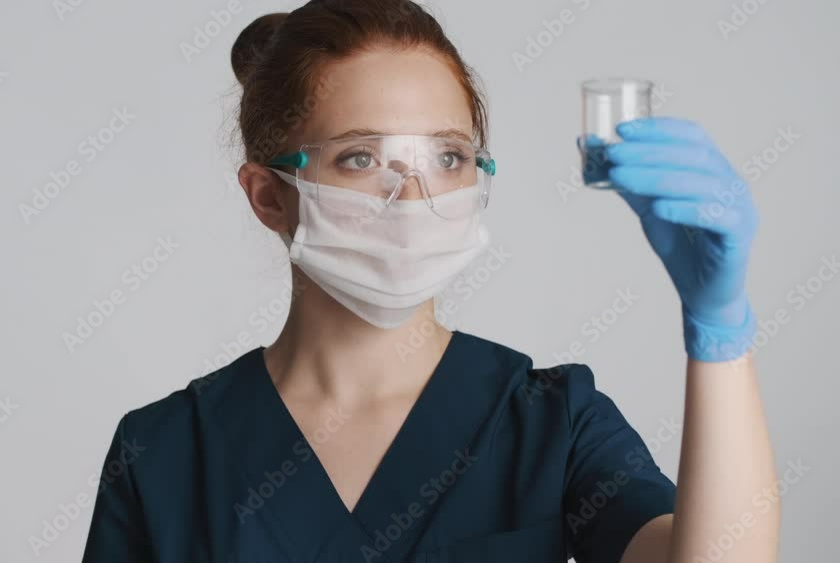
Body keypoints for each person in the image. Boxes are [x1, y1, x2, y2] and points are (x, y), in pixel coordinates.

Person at [83, 1, 779, 562]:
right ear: (269, 195)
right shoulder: (167, 451)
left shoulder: (550, 421)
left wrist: (719, 329)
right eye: (362, 157)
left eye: (448, 156)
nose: (414, 194)